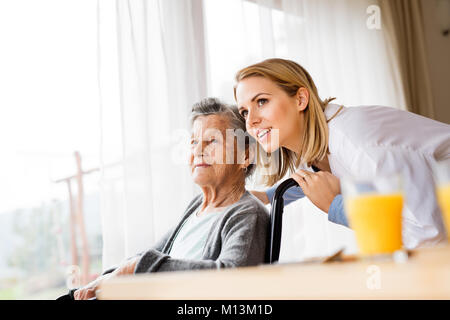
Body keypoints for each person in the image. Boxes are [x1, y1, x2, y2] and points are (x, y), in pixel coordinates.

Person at [234, 58, 450, 250]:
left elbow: (429, 238)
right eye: (244, 111)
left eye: (261, 101)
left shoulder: (357, 141)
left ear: (300, 99)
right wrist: (265, 197)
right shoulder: (319, 147)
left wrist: (336, 206)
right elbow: (310, 178)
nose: (250, 121)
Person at [70, 98, 269, 300]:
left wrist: (137, 267)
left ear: (245, 156)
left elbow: (233, 278)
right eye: (193, 142)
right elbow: (149, 257)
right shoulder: (197, 207)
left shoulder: (247, 214)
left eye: (212, 141)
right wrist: (103, 280)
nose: (198, 151)